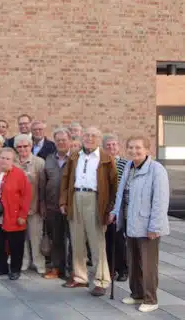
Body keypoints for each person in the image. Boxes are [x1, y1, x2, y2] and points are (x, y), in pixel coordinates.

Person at [110, 136, 170, 313]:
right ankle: (136, 293)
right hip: (130, 221)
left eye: (138, 148)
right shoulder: (129, 167)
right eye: (130, 148)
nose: (134, 151)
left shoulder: (156, 170)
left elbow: (160, 201)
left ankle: (150, 299)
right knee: (133, 261)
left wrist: (155, 227)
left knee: (148, 264)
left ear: (147, 150)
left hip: (147, 225)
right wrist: (115, 212)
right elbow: (121, 195)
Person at [60, 127, 118, 296]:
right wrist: (63, 201)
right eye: (86, 135)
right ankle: (80, 277)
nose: (89, 138)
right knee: (77, 240)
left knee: (97, 242)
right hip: (76, 197)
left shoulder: (106, 159)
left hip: (95, 199)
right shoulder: (74, 156)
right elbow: (65, 179)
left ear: (99, 139)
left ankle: (101, 280)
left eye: (94, 136)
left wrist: (110, 209)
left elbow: (114, 185)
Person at [0, 148, 31, 280]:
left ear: (13, 161)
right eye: (2, 157)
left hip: (13, 214)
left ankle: (15, 270)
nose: (4, 161)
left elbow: (26, 196)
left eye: (7, 158)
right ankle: (1, 267)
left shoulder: (19, 174)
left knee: (16, 244)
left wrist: (22, 215)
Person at [14, 134, 47, 274]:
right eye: (19, 147)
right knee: (21, 237)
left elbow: (43, 185)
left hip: (34, 205)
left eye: (25, 146)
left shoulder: (39, 162)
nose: (23, 149)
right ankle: (24, 260)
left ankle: (38, 262)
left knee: (35, 236)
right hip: (17, 207)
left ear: (31, 146)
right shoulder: (13, 162)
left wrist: (41, 204)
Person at [42, 128, 71, 280]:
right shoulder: (49, 159)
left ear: (69, 141)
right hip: (52, 205)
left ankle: (72, 270)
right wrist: (43, 204)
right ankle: (56, 268)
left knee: (73, 240)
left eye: (63, 139)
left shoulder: (75, 158)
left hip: (71, 206)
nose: (61, 142)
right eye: (58, 140)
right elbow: (43, 182)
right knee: (56, 239)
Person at [103, 133, 129, 282]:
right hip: (105, 205)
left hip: (119, 206)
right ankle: (110, 268)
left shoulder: (125, 164)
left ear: (118, 146)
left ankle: (123, 268)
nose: (112, 148)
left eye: (114, 145)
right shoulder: (102, 164)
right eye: (108, 145)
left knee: (119, 239)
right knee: (107, 238)